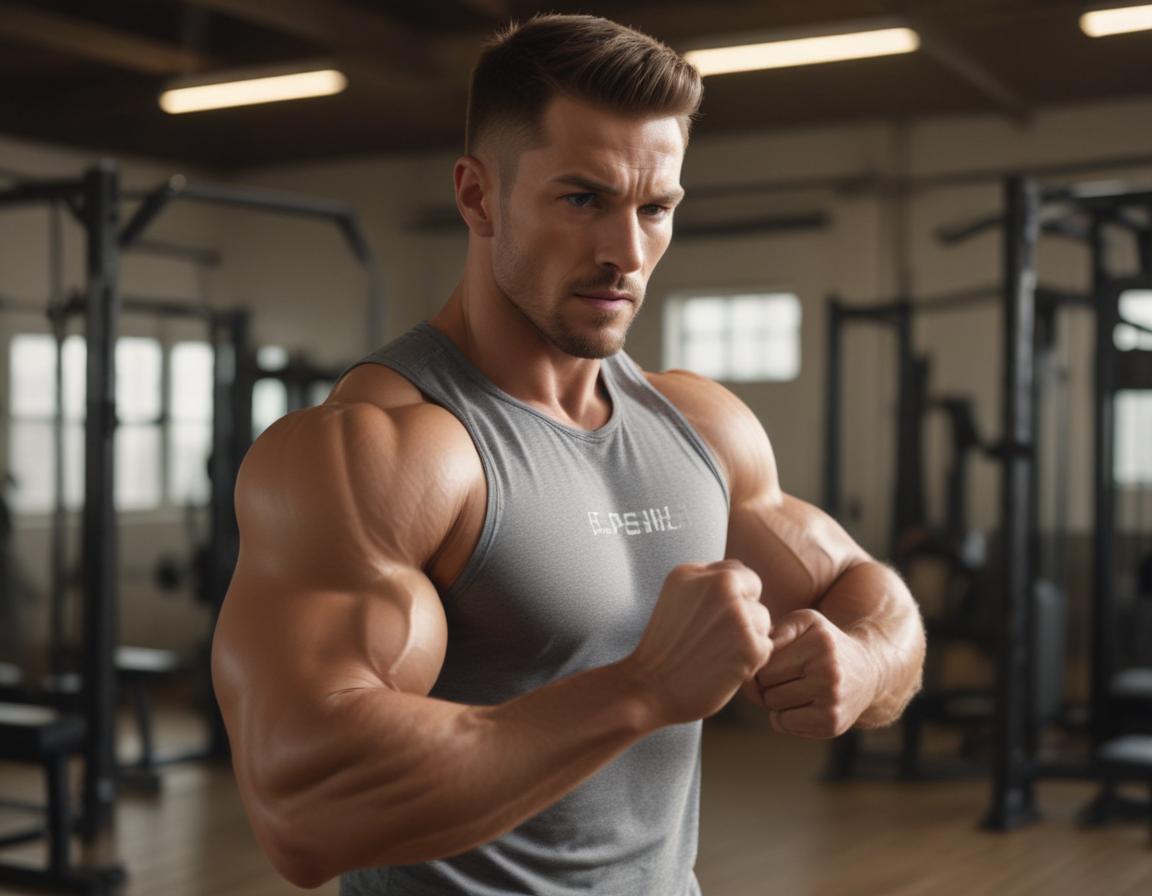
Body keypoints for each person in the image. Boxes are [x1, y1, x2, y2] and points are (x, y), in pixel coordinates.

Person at [211, 13, 926, 895]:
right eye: (583, 198)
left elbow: (870, 594)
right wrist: (644, 691)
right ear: (478, 196)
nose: (626, 252)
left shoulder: (700, 426)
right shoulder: (387, 452)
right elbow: (301, 806)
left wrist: (860, 663)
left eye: (655, 208)